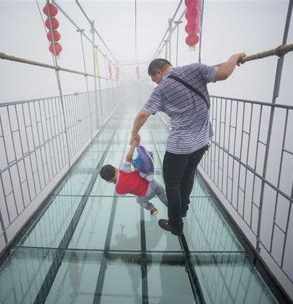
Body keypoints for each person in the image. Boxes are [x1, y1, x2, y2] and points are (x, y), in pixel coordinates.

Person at [130, 53, 246, 236]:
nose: (157, 84)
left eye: (155, 79)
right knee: (188, 176)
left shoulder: (161, 90)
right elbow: (224, 73)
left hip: (179, 147)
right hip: (201, 142)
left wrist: (133, 134)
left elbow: (143, 114)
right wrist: (234, 56)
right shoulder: (195, 69)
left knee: (173, 184)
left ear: (158, 72)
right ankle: (183, 209)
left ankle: (175, 225)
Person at [100, 140, 168, 215]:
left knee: (139, 200)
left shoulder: (118, 190)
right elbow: (128, 157)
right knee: (162, 194)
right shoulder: (123, 170)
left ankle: (152, 208)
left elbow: (127, 189)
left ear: (108, 181)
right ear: (115, 168)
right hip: (152, 183)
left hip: (145, 195)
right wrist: (133, 145)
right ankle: (171, 206)